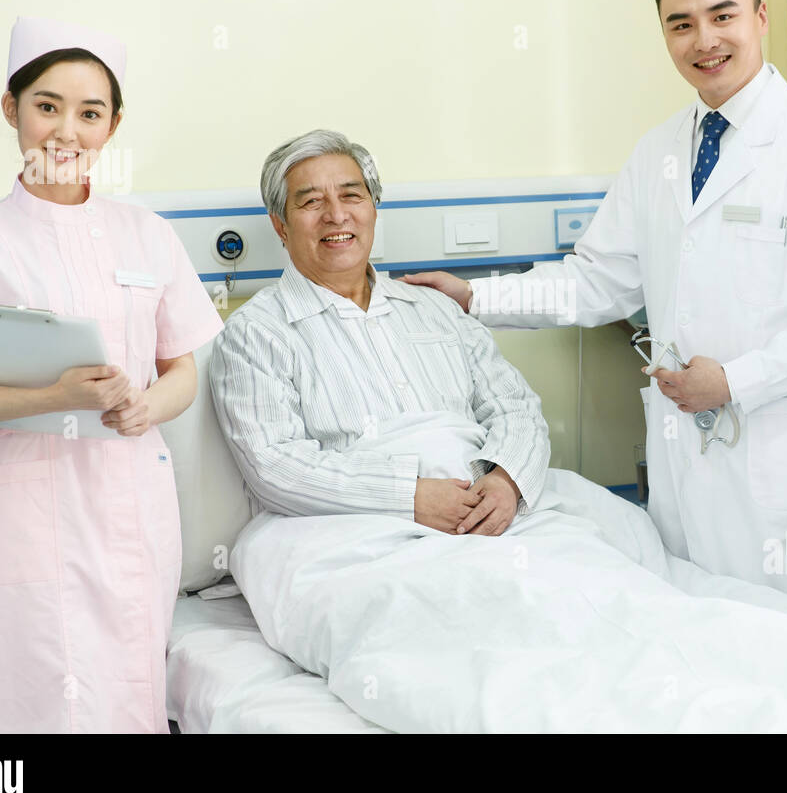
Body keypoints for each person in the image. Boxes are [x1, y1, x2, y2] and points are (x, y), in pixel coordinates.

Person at [402, 0, 787, 599]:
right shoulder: (659, 153)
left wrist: (734, 382)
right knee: (703, 640)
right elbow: (595, 280)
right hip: (688, 463)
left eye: (723, 16)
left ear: (761, 18)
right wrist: (475, 299)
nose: (703, 40)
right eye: (681, 24)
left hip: (786, 462)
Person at [0, 16, 224, 732]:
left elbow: (182, 369)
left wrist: (147, 406)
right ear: (10, 109)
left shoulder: (147, 233)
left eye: (90, 113)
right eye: (46, 106)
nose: (66, 131)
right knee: (38, 684)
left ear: (112, 125)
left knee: (132, 682)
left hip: (134, 495)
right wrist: (57, 396)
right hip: (33, 500)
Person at [208, 130, 549, 535]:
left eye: (352, 195)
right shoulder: (255, 334)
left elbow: (515, 407)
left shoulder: (435, 307)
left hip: (492, 508)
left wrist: (506, 480)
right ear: (280, 225)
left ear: (373, 208)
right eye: (312, 201)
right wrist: (409, 497)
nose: (336, 215)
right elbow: (275, 467)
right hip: (360, 529)